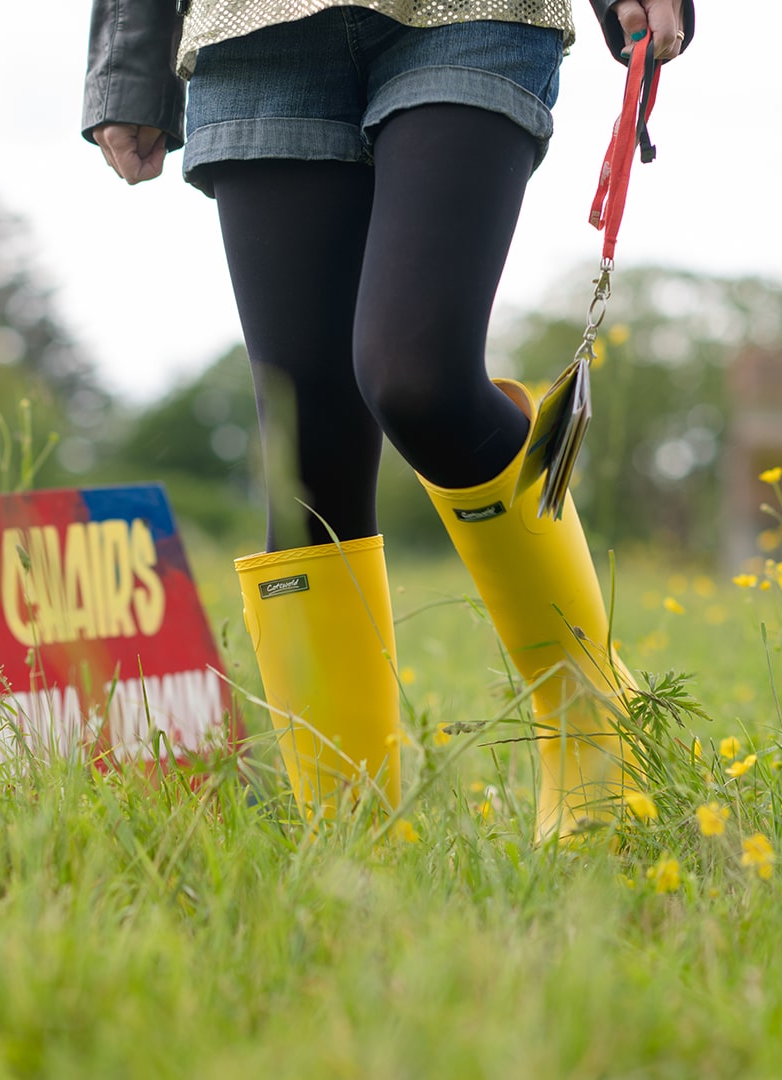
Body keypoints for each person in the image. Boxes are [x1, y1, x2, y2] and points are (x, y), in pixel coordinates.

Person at [82, 0, 694, 836]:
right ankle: (348, 841)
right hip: (254, 30)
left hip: (473, 13)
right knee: (305, 458)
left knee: (418, 380)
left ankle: (594, 724)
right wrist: (127, 57)